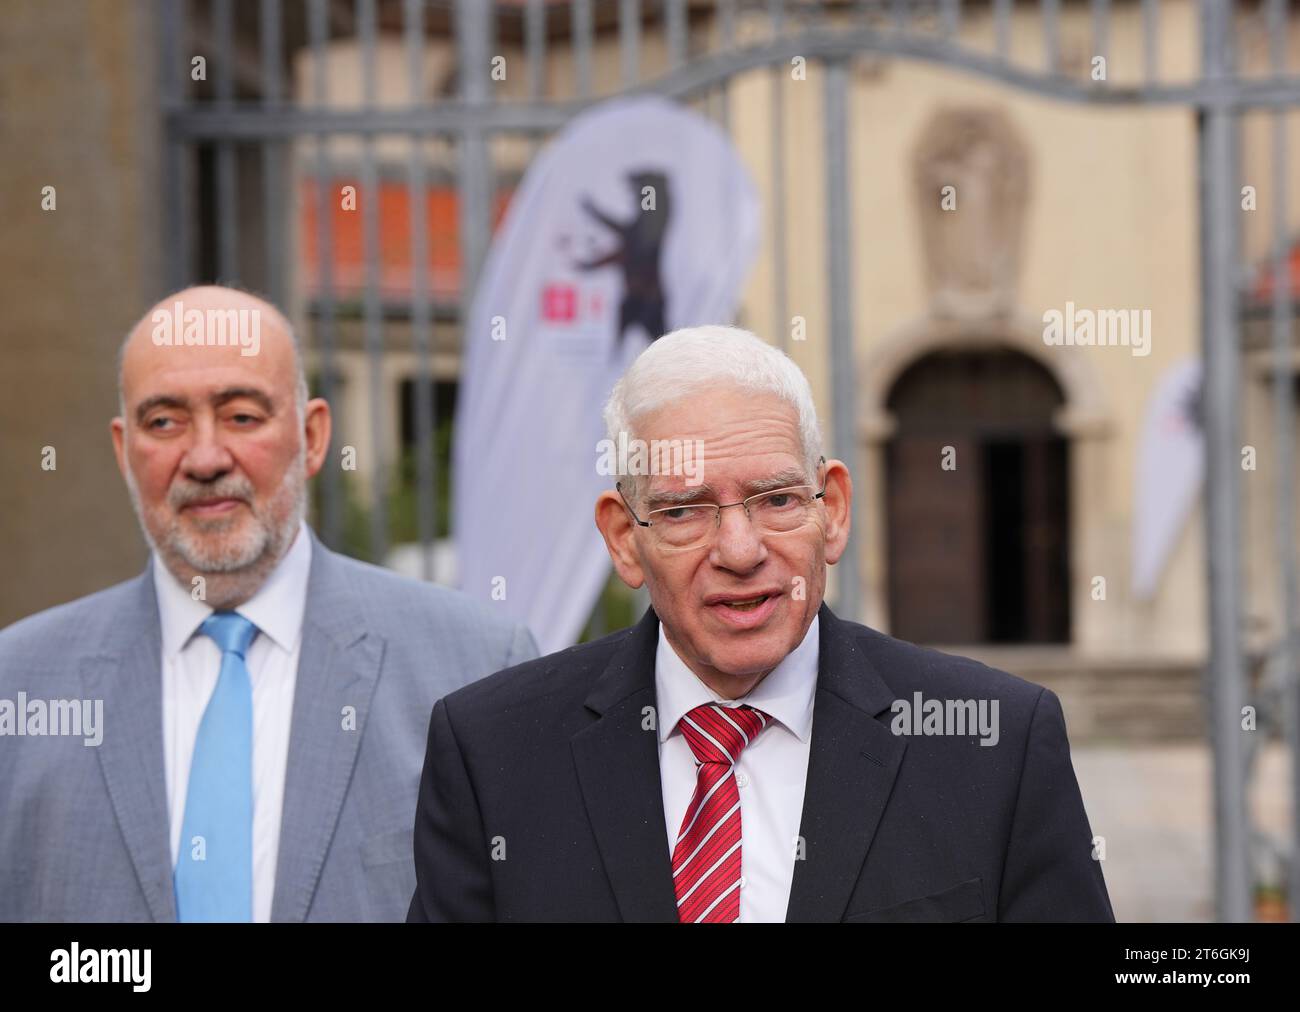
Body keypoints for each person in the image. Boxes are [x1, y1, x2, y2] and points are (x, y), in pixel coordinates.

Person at [408, 324, 1113, 923]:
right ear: (624, 538)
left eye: (775, 499)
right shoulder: (493, 755)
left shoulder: (996, 742)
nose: (740, 552)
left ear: (831, 510)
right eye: (684, 510)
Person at [0, 285, 537, 922]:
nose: (203, 458)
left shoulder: (476, 666)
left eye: (242, 416)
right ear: (124, 451)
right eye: (164, 422)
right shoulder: (20, 684)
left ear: (312, 437)